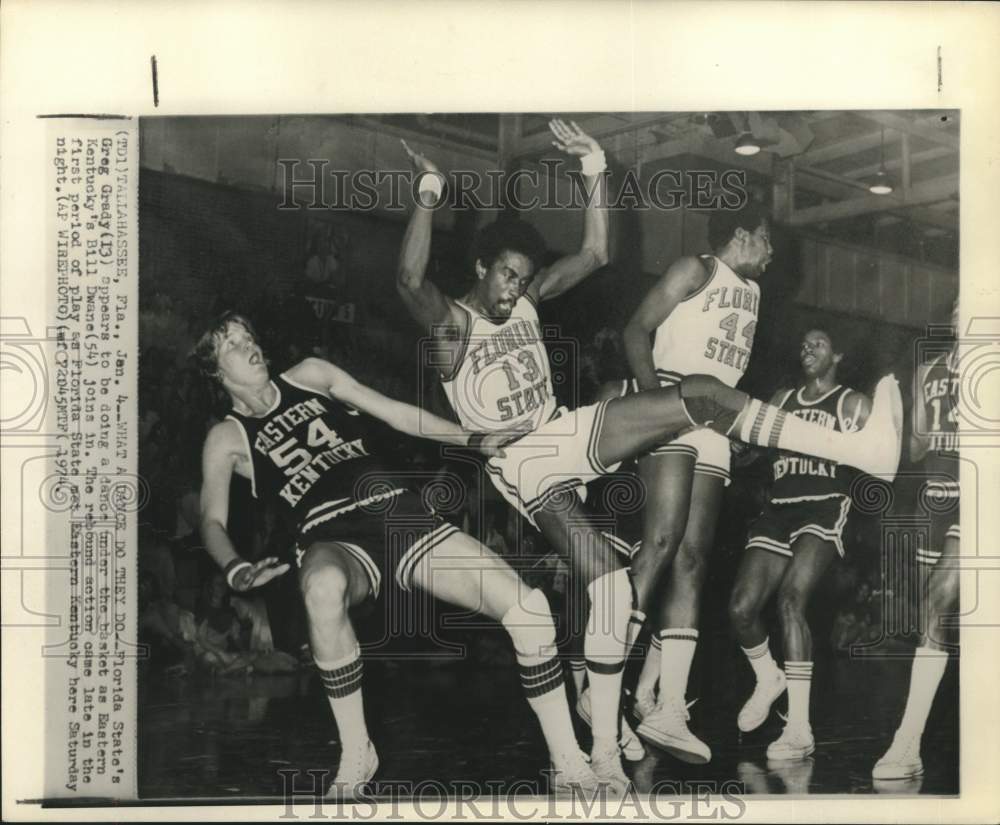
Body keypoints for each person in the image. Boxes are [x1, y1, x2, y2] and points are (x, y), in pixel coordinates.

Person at [396, 120, 906, 791]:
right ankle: (604, 746)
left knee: (698, 401)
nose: (515, 289)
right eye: (506, 276)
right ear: (480, 268)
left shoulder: (527, 300)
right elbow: (407, 277)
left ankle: (604, 750)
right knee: (615, 574)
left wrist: (595, 166)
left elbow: (599, 250)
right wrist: (430, 191)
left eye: (523, 277)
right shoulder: (452, 325)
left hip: (566, 434)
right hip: (522, 463)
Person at [194, 311, 606, 798]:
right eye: (232, 345)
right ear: (217, 372)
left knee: (531, 612)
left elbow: (395, 412)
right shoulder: (227, 437)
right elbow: (211, 520)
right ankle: (356, 755)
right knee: (322, 587)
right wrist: (235, 567)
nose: (249, 346)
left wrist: (472, 439)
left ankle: (567, 763)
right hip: (332, 535)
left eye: (249, 336)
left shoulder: (308, 375)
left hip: (395, 511)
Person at [621, 201, 770, 763]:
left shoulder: (753, 294)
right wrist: (655, 401)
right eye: (766, 239)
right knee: (659, 546)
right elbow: (635, 328)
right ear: (741, 234)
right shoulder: (694, 268)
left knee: (692, 559)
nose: (771, 252)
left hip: (711, 420)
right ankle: (597, 680)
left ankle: (670, 709)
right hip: (670, 403)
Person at [728, 328, 871, 760]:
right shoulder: (782, 400)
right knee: (740, 608)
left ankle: (800, 729)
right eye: (803, 342)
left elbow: (882, 458)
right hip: (780, 507)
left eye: (820, 343)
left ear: (838, 356)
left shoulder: (852, 403)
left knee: (791, 600)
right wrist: (736, 445)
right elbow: (751, 452)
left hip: (825, 507)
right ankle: (768, 677)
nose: (807, 347)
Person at [872, 299, 960, 780]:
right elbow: (918, 445)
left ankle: (907, 740)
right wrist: (881, 425)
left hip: (982, 490)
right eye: (957, 309)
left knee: (937, 598)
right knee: (931, 609)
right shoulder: (928, 371)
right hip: (937, 492)